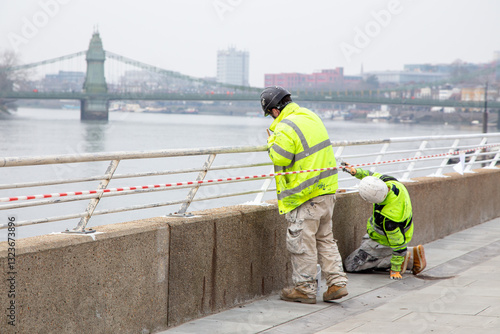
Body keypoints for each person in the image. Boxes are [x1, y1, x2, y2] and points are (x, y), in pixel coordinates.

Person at [260, 86, 348, 304]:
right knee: (325, 238)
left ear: (274, 110)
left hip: (305, 196)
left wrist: (270, 141)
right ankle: (337, 283)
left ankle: (305, 289)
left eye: (270, 113)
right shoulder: (310, 115)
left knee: (302, 243)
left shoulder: (285, 126)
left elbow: (280, 157)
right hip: (326, 191)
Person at [341, 163, 427, 279]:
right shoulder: (392, 183)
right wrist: (356, 172)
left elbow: (399, 244)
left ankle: (403, 260)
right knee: (364, 251)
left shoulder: (389, 220)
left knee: (351, 264)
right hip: (381, 235)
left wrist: (395, 269)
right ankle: (411, 254)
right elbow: (371, 176)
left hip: (383, 241)